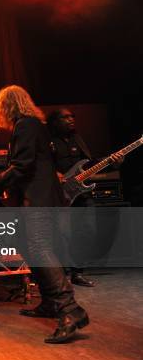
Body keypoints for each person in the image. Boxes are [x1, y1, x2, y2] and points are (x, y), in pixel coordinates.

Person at [0, 85, 89, 344]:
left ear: (7, 106)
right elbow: (32, 166)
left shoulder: (25, 126)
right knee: (30, 247)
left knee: (40, 248)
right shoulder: (34, 125)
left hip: (39, 200)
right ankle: (50, 302)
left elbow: (22, 166)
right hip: (43, 197)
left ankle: (70, 310)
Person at [46, 108, 124, 286]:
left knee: (87, 231)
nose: (70, 119)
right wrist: (53, 174)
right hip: (60, 194)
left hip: (82, 193)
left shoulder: (77, 139)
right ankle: (61, 273)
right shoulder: (47, 141)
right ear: (54, 122)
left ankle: (77, 272)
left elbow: (89, 164)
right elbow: (40, 165)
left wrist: (112, 162)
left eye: (72, 116)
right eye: (65, 117)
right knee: (63, 234)